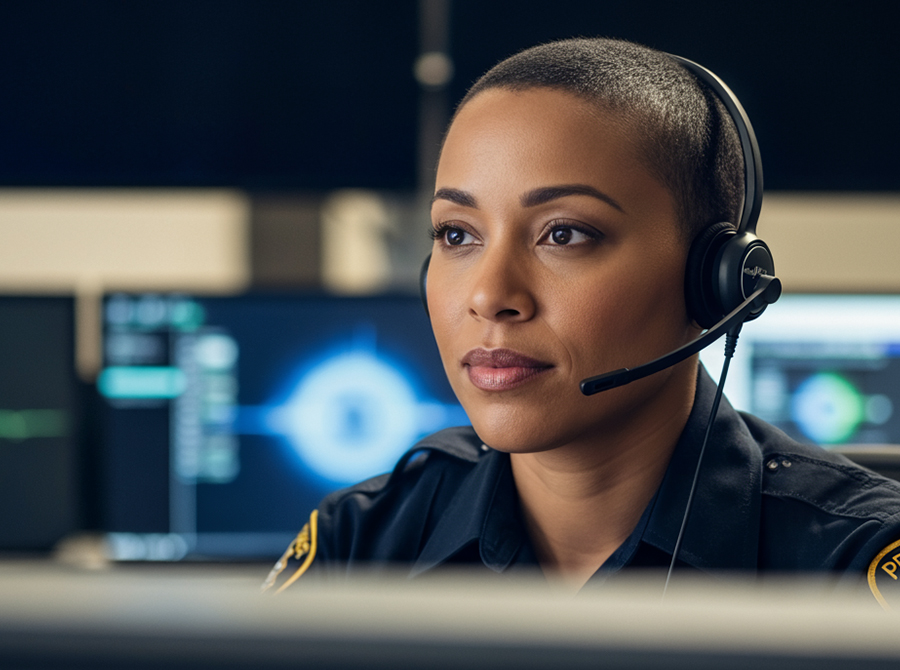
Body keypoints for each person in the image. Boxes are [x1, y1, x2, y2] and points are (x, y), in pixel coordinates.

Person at [263, 38, 900, 604]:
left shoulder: (854, 569)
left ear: (713, 279)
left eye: (564, 233)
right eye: (457, 234)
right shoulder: (362, 540)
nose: (489, 296)